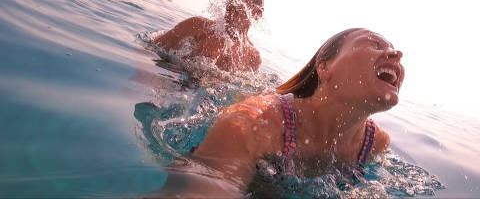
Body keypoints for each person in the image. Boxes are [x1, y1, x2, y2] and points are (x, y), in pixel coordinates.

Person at [160, 28, 404, 197]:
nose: (396, 54)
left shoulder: (375, 144)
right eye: (375, 44)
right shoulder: (254, 123)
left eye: (393, 49)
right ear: (325, 67)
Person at [154, 0, 264, 73]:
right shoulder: (197, 26)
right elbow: (153, 47)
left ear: (257, 13)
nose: (232, 3)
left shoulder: (253, 57)